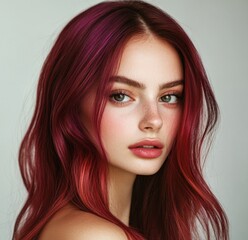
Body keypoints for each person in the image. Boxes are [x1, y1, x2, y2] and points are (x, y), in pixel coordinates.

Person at [13, 1, 229, 239]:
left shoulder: (89, 226)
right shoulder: (94, 235)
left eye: (169, 97)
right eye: (121, 96)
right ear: (71, 104)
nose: (154, 120)